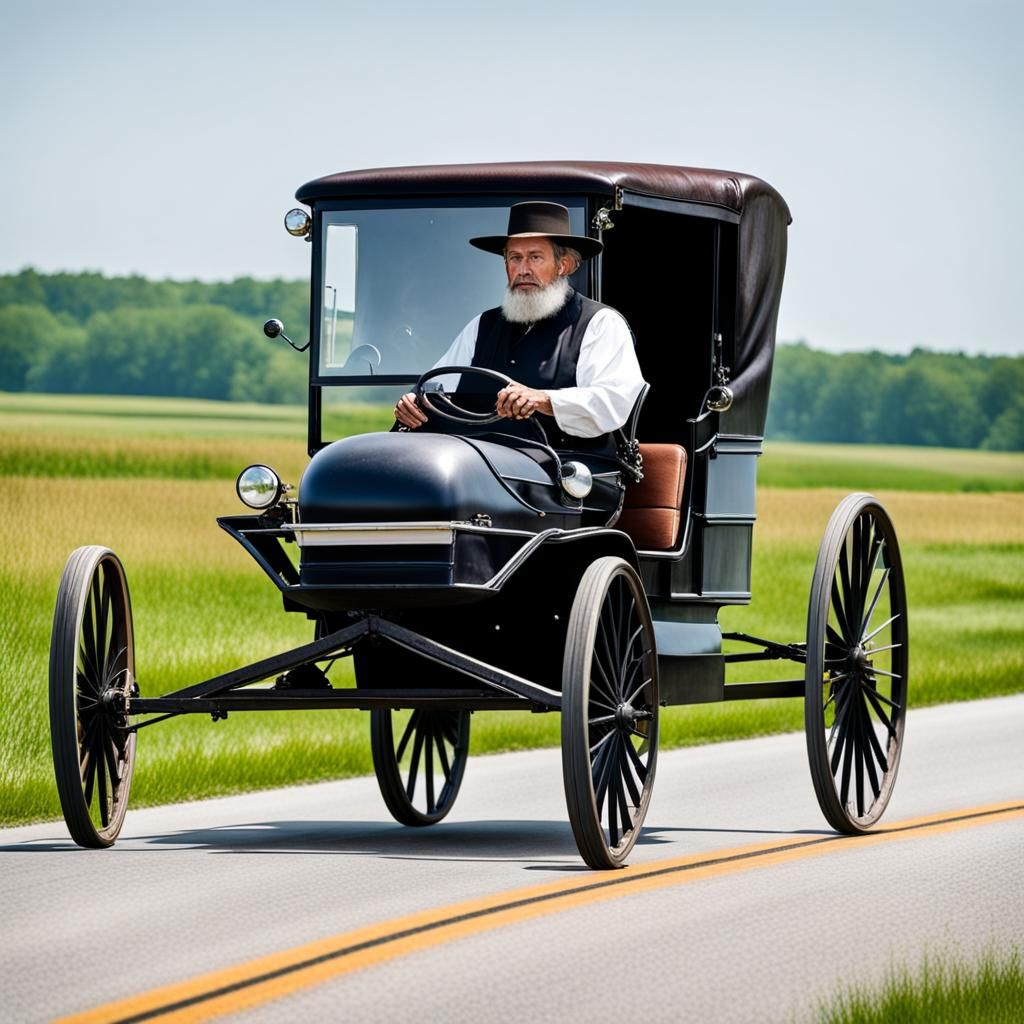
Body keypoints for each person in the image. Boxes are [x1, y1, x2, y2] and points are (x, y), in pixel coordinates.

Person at [393, 202, 645, 450]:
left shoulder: (600, 323)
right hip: (476, 468)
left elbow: (613, 401)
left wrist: (545, 399)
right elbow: (437, 386)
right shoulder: (482, 325)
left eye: (535, 257)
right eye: (515, 258)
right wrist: (413, 402)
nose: (523, 269)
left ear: (563, 265)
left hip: (564, 477)